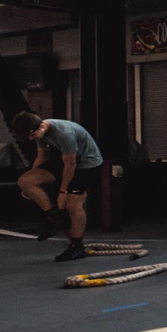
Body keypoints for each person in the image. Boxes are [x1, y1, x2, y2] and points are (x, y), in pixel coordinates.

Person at [12, 111, 103, 262]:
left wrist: (63, 191)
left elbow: (71, 164)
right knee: (25, 181)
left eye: (31, 135)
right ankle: (54, 216)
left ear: (41, 126)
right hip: (66, 162)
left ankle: (77, 246)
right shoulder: (39, 132)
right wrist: (30, 185)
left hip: (87, 164)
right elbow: (43, 157)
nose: (30, 139)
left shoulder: (63, 133)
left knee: (72, 203)